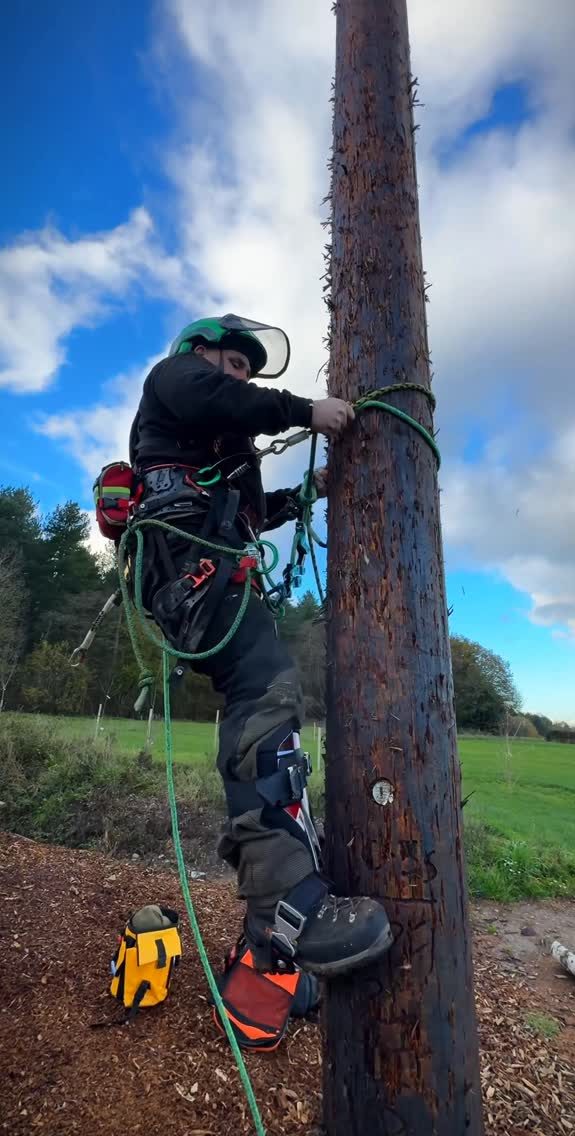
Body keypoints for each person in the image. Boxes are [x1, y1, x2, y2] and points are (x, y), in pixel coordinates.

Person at [129, 315, 392, 978]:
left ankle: (265, 951)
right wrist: (306, 411)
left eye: (251, 368)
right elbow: (220, 399)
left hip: (207, 565)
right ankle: (287, 903)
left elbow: (247, 510)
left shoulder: (215, 445)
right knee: (267, 689)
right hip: (192, 565)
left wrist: (309, 493)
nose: (242, 375)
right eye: (234, 362)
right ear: (199, 354)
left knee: (263, 691)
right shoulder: (177, 380)